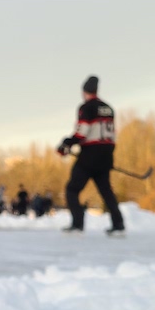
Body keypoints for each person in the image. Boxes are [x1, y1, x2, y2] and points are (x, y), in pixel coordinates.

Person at [58, 76, 125, 235]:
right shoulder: (108, 108)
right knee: (106, 192)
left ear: (84, 91)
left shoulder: (86, 108)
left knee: (72, 190)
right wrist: (107, 156)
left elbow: (82, 132)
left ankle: (77, 224)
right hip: (106, 155)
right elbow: (111, 136)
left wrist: (67, 143)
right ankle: (118, 225)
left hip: (89, 156)